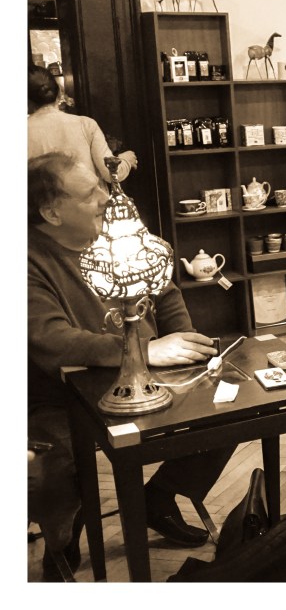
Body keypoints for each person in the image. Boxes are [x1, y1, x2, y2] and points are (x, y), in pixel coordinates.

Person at [27, 152, 234, 581]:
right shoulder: (26, 260)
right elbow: (51, 339)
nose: (107, 198)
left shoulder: (120, 230)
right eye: (90, 193)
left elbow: (165, 290)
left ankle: (158, 498)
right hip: (64, 396)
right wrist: (142, 350)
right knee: (52, 470)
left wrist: (186, 345)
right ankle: (63, 538)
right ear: (52, 212)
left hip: (152, 374)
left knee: (227, 409)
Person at [27, 65, 137, 184]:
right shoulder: (85, 124)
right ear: (59, 91)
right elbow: (111, 173)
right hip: (89, 195)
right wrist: (126, 159)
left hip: (42, 196)